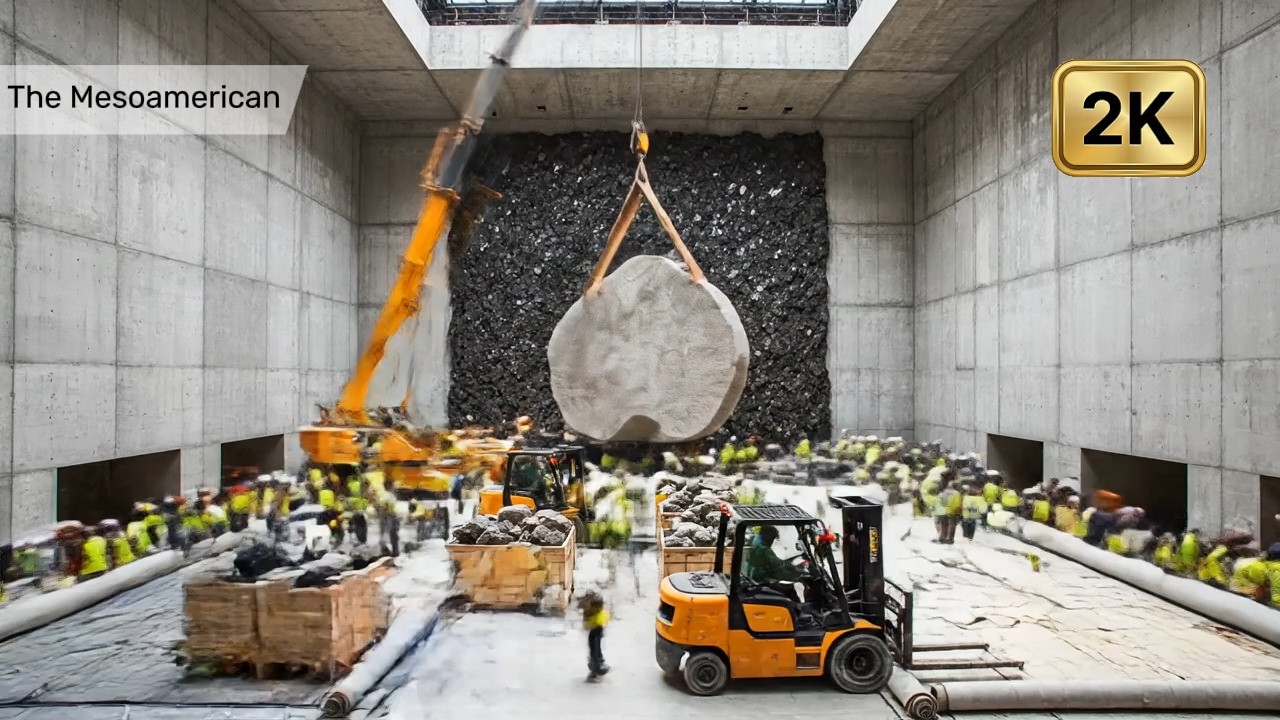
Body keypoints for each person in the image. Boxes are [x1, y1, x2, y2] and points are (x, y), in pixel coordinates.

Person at [579, 591, 610, 682]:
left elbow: (595, 620)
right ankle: (598, 664)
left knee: (594, 649)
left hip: (596, 630)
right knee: (595, 648)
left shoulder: (597, 614)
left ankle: (596, 667)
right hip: (595, 630)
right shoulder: (594, 611)